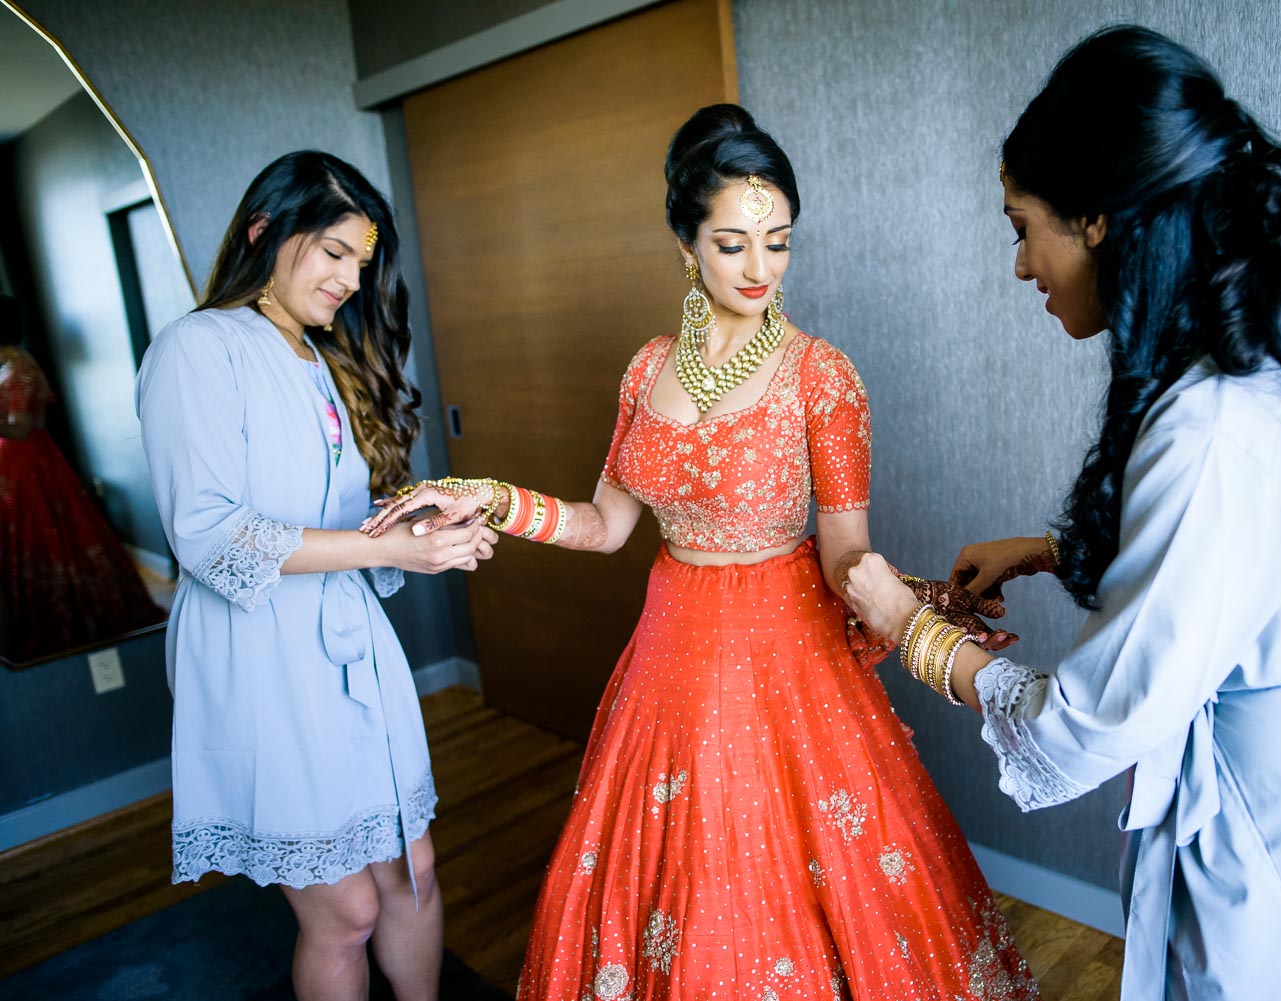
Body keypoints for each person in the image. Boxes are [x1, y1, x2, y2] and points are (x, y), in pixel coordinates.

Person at [843, 26, 1281, 1001]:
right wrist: (1051, 550)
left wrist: (910, 626)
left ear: (1097, 217)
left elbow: (1081, 725)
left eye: (1023, 227)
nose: (1022, 266)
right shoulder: (1237, 361)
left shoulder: (1210, 428)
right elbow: (1235, 563)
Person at [364, 105, 1037, 1000]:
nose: (761, 269)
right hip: (669, 651)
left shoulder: (821, 375)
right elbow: (603, 526)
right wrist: (483, 493)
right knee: (672, 880)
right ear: (686, 245)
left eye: (780, 242)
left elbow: (846, 559)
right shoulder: (647, 370)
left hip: (786, 658)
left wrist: (916, 612)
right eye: (733, 245)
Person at [136, 151, 499, 1001]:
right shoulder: (200, 348)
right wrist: (386, 551)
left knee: (413, 866)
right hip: (259, 655)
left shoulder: (319, 358)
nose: (348, 280)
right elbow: (211, 535)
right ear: (266, 231)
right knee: (344, 910)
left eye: (360, 264)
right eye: (334, 252)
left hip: (342, 646)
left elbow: (332, 512)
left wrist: (416, 523)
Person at [0, 291, 165, 663]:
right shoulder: (7, 365)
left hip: (27, 462)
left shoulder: (20, 368)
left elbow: (22, 427)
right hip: (13, 462)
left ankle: (67, 618)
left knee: (43, 534)